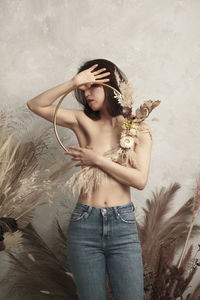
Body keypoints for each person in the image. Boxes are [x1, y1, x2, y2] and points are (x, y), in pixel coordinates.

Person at [26, 58, 157, 300]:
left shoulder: (137, 127)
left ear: (110, 86)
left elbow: (139, 180)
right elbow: (35, 105)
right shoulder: (81, 120)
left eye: (92, 86)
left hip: (122, 225)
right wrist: (74, 81)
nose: (86, 93)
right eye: (83, 89)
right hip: (84, 224)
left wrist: (98, 160)